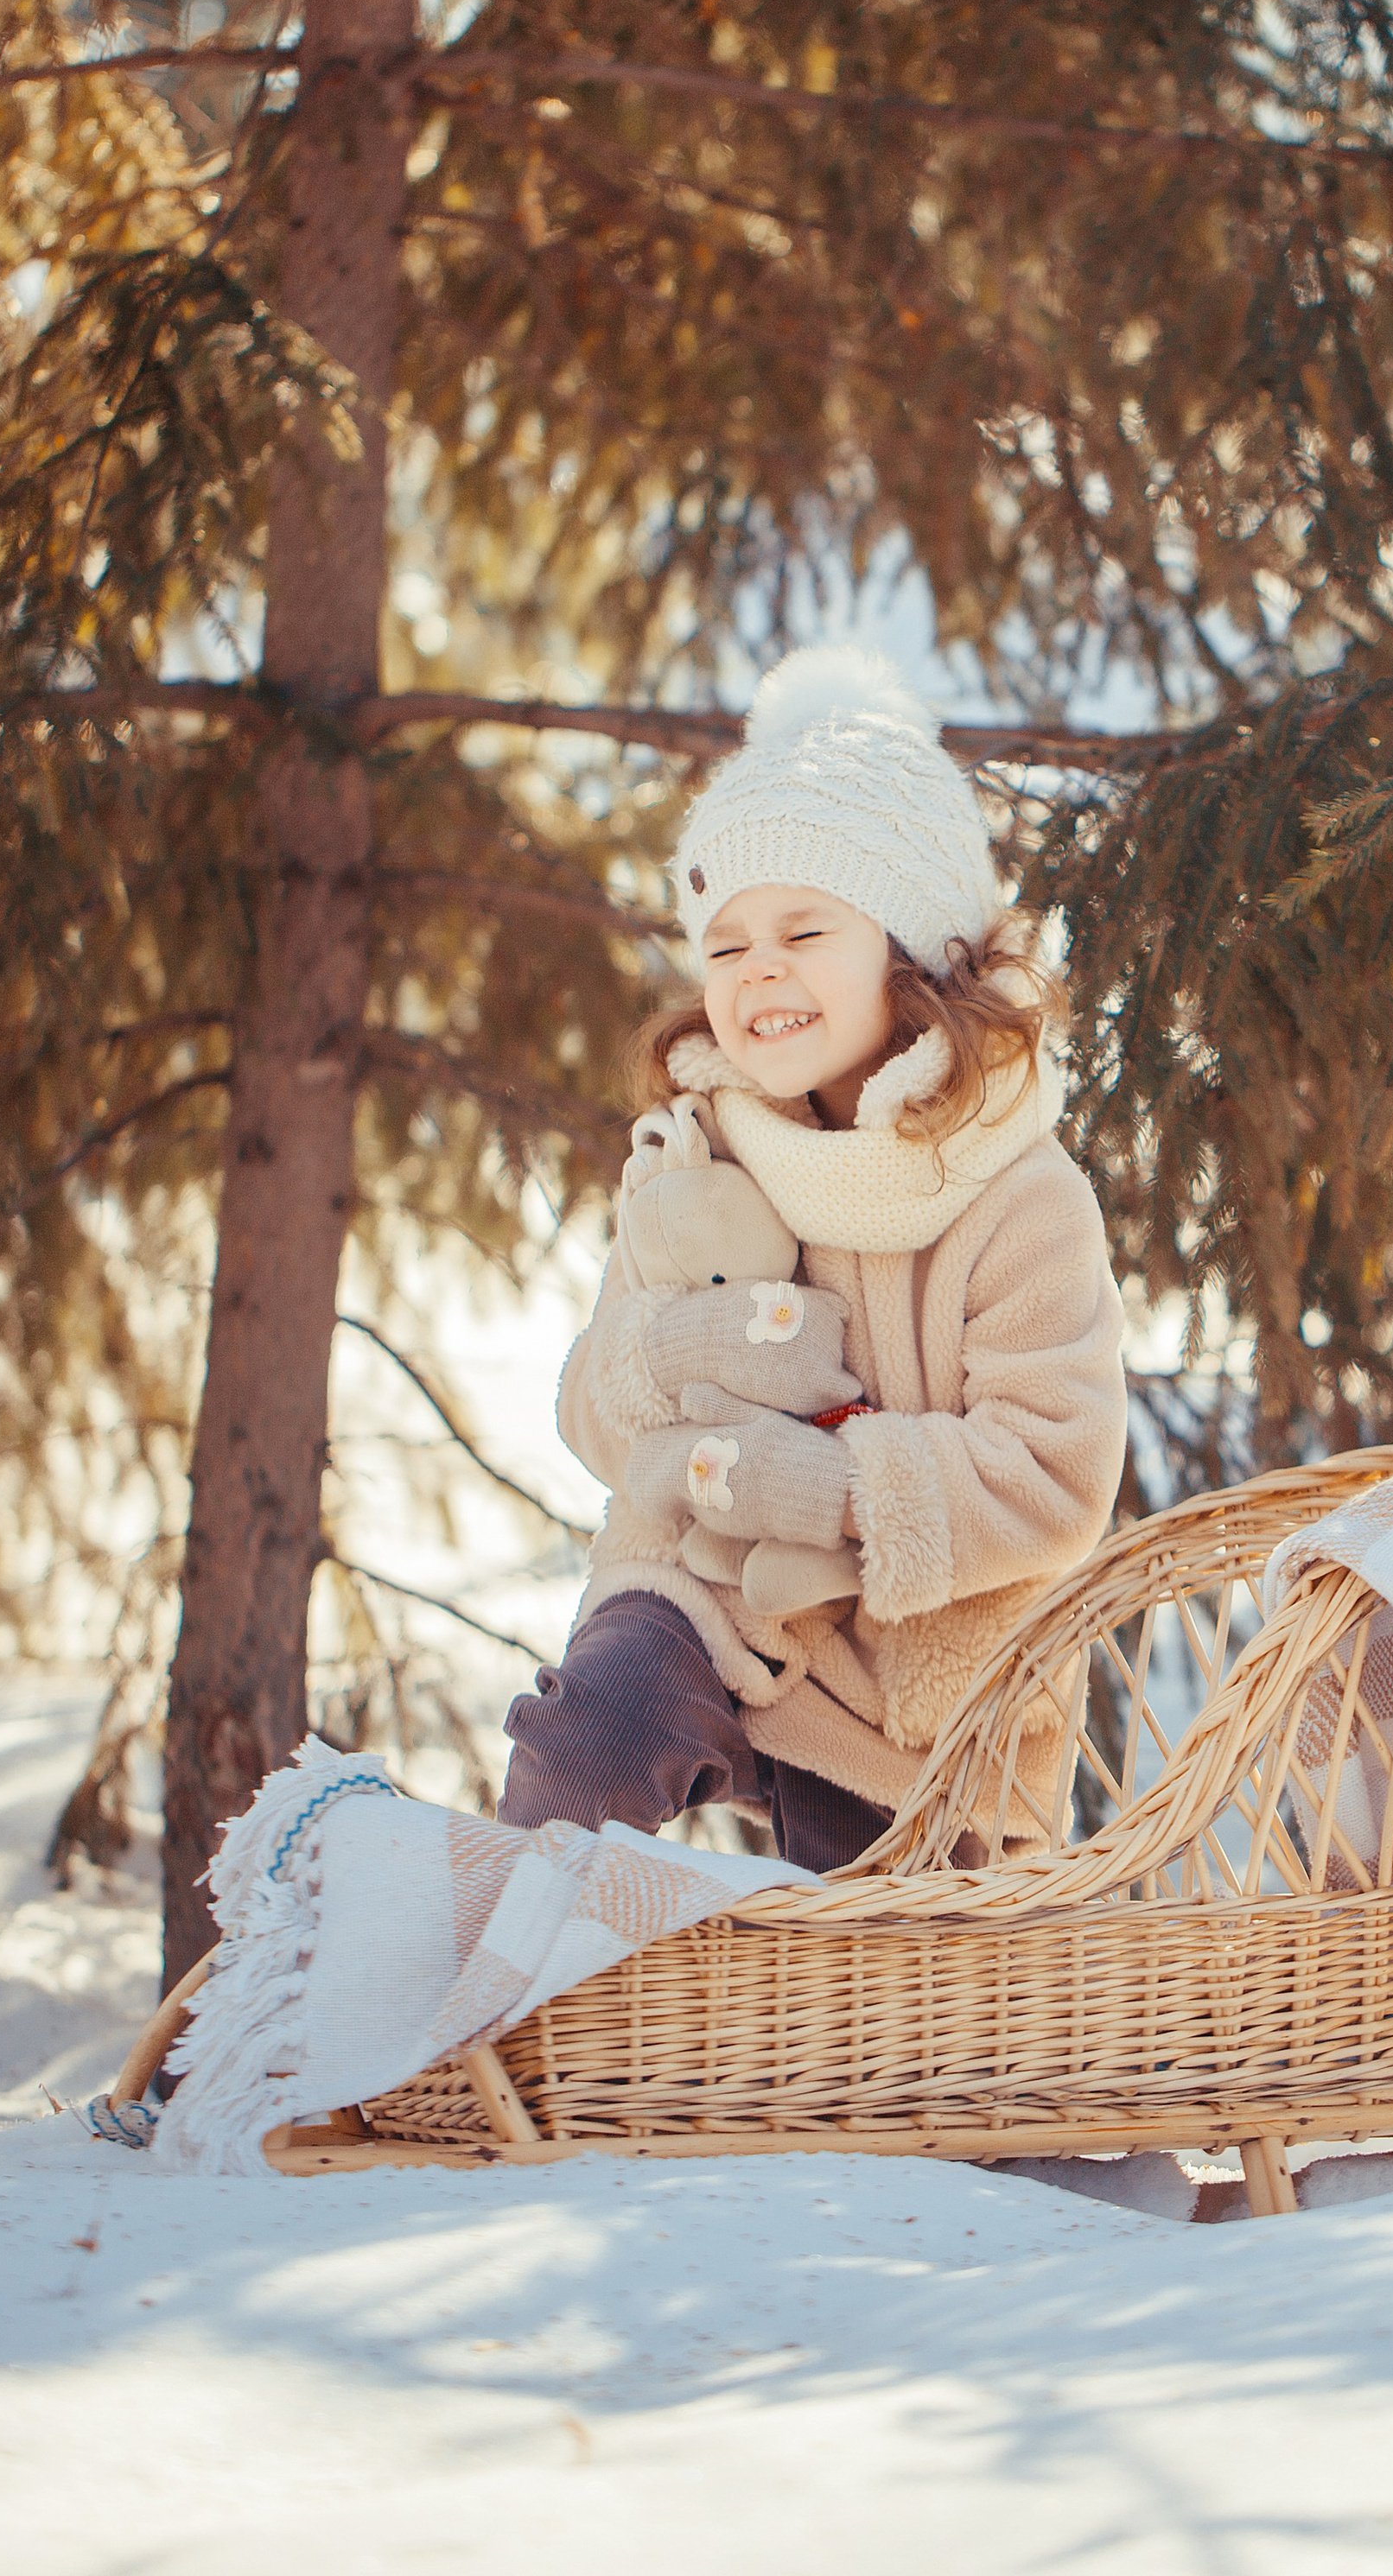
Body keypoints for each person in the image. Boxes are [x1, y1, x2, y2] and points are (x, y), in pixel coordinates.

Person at [497, 644, 1130, 1871]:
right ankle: (492, 2022)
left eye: (802, 927)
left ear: (912, 943)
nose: (758, 970)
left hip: (919, 1689)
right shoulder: (699, 1157)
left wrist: (837, 1489)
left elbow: (1055, 1471)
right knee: (583, 1745)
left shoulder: (1022, 1196)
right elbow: (593, 1411)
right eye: (725, 945)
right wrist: (665, 1358)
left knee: (875, 2006)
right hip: (711, 1603)